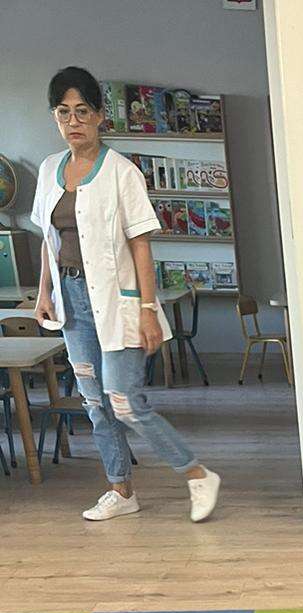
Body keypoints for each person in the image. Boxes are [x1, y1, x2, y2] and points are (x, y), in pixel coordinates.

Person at [30, 66, 220, 524]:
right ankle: (121, 490)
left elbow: (141, 245)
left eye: (82, 111)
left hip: (119, 302)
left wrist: (149, 310)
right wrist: (44, 292)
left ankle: (196, 473)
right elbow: (48, 240)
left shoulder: (122, 172)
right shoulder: (49, 170)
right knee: (95, 404)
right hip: (72, 300)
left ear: (99, 116)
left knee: (125, 401)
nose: (73, 121)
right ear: (55, 117)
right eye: (63, 112)